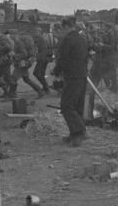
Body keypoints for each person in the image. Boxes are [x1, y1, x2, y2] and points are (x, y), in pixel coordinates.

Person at [52, 16, 89, 146]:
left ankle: (79, 132)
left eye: (62, 28)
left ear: (66, 26)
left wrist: (56, 73)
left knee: (66, 106)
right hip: (82, 75)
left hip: (72, 76)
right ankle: (76, 134)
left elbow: (62, 59)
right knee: (77, 106)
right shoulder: (82, 38)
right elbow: (86, 57)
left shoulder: (68, 39)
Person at [33, 28, 52, 94]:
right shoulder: (38, 39)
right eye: (35, 31)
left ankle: (46, 88)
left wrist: (39, 58)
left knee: (38, 74)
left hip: (43, 60)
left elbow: (44, 51)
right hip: (41, 59)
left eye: (37, 31)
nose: (35, 33)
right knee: (38, 73)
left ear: (40, 33)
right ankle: (45, 87)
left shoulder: (42, 40)